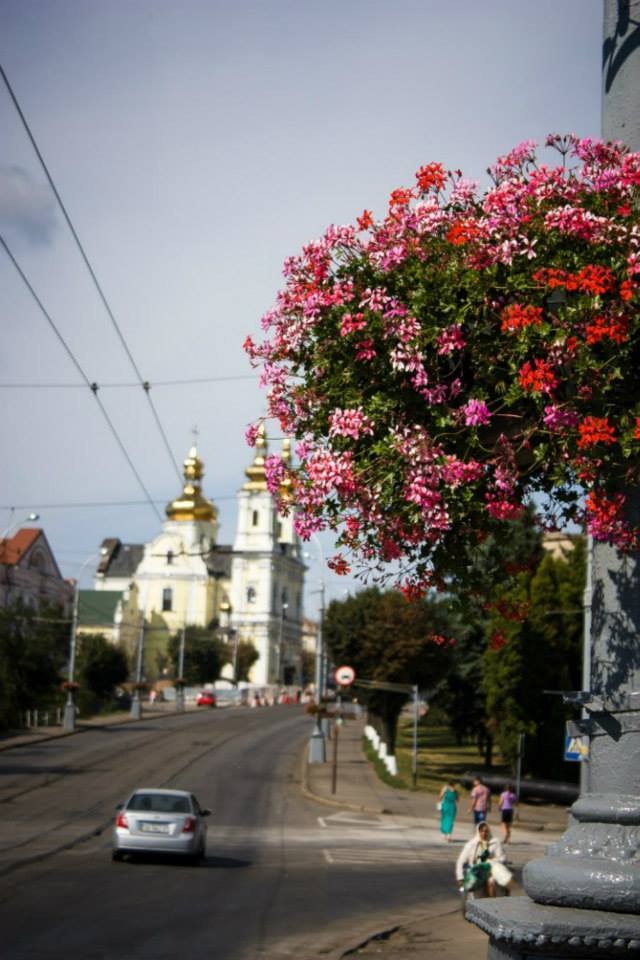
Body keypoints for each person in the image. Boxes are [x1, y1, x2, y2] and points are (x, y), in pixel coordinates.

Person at [455, 822, 512, 897]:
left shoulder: (495, 842)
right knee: (473, 887)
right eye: (481, 831)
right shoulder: (471, 844)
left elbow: (502, 857)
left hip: (491, 869)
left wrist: (492, 860)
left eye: (486, 831)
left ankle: (492, 903)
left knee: (492, 882)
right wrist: (460, 877)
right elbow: (460, 861)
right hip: (475, 871)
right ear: (478, 831)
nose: (484, 833)